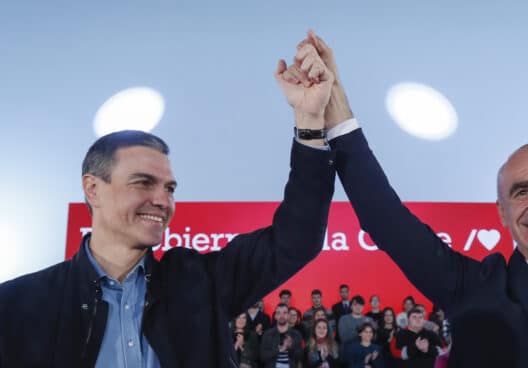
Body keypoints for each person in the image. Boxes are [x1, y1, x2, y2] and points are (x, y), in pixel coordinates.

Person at [279, 30, 528, 367]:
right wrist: (335, 106)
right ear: (503, 213)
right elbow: (386, 219)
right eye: (522, 191)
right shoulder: (478, 290)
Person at [0, 43, 337, 367]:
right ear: (93, 190)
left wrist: (309, 123)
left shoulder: (201, 284)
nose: (162, 200)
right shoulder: (18, 305)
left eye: (170, 188)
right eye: (143, 182)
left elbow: (297, 238)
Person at [260, 304, 305, 368]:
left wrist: (290, 347)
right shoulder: (267, 334)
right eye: (278, 313)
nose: (282, 316)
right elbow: (263, 357)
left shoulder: (296, 334)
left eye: (284, 313)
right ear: (275, 316)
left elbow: (300, 356)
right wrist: (279, 350)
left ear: (288, 316)